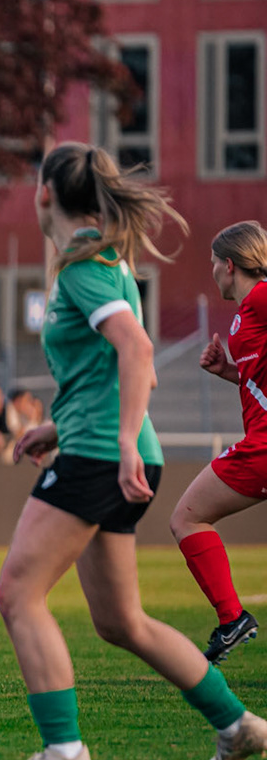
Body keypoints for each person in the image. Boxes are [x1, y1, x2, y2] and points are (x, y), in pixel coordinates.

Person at [0, 144, 267, 760]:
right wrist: (57, 426)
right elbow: (106, 367)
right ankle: (238, 726)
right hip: (107, 446)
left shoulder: (83, 266)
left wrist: (111, 445)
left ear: (43, 196)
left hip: (102, 456)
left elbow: (137, 352)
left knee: (17, 593)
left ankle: (64, 753)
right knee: (120, 621)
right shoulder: (106, 262)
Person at [168, 220, 267, 666]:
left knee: (187, 518)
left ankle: (232, 618)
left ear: (229, 265)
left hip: (263, 449)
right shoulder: (246, 313)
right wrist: (228, 371)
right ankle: (232, 619)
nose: (210, 271)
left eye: (212, 262)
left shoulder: (261, 297)